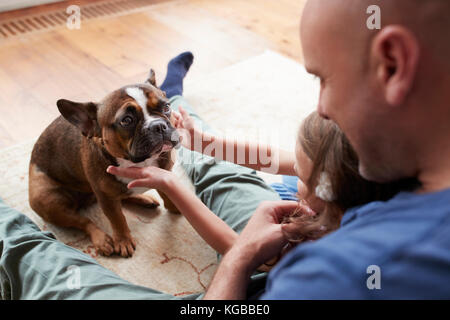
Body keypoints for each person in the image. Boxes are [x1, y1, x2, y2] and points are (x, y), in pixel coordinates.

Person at [202, 0, 450, 299]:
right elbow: (275, 159)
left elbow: (239, 241)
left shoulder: (331, 276)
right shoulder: (390, 175)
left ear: (393, 64)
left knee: (218, 176)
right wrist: (202, 142)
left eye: (323, 78)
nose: (321, 108)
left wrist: (239, 258)